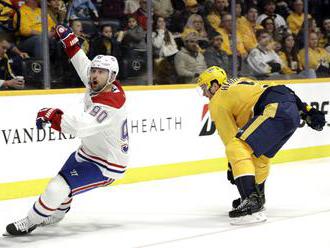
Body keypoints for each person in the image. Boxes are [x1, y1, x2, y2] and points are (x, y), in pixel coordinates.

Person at [5, 24, 129, 235]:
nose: (94, 75)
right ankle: (58, 213)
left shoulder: (111, 103)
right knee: (63, 181)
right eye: (95, 71)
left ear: (111, 76)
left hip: (108, 164)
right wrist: (69, 39)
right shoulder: (103, 83)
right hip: (88, 152)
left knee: (57, 187)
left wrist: (52, 115)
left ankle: (30, 221)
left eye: (101, 72)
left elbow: (79, 126)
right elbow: (84, 65)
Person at [196, 66, 326, 225]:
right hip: (289, 110)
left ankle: (251, 200)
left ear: (214, 85)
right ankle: (257, 196)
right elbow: (278, 90)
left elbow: (231, 140)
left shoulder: (217, 100)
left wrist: (233, 166)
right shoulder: (240, 81)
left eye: (204, 88)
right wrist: (307, 110)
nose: (203, 93)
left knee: (236, 147)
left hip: (274, 110)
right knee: (260, 157)